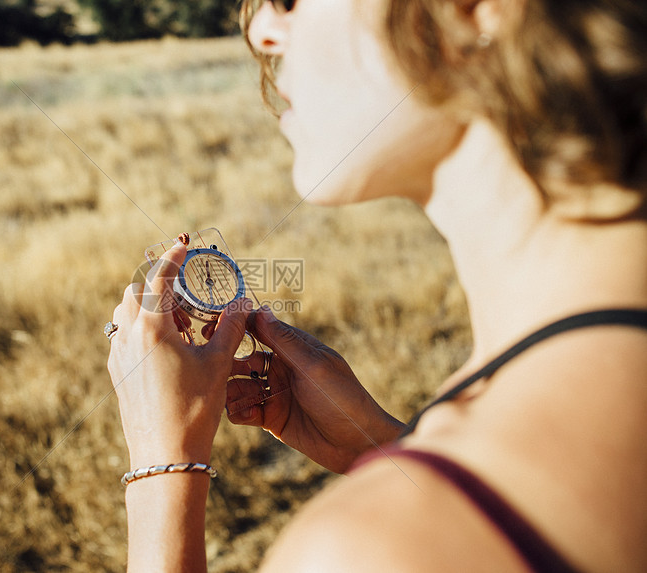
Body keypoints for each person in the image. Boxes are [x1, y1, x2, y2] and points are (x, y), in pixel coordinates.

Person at [106, 0, 647, 570]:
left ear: (479, 9)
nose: (261, 33)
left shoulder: (368, 548)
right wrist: (384, 450)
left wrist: (163, 464)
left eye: (288, 1)